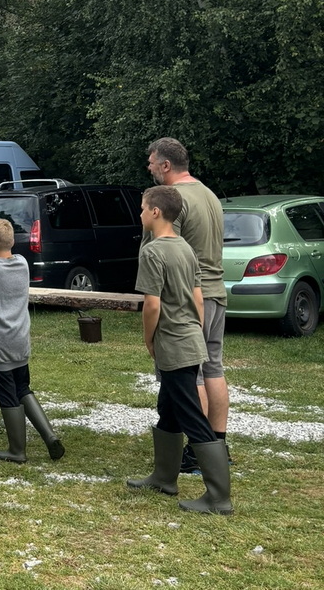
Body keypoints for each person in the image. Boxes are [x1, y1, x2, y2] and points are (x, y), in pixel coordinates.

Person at [127, 185, 232, 515]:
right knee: (168, 408)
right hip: (190, 338)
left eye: (143, 208)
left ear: (155, 212)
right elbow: (199, 298)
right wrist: (195, 331)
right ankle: (164, 478)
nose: (140, 213)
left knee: (190, 414)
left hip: (173, 343)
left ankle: (218, 497)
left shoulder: (152, 252)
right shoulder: (186, 247)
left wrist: (148, 339)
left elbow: (152, 305)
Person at [146, 137, 229, 472]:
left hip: (187, 299)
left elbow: (165, 251)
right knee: (213, 369)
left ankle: (198, 451)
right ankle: (218, 444)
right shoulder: (209, 194)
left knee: (189, 374)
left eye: (152, 162)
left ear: (166, 165)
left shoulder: (171, 200)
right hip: (216, 293)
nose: (149, 167)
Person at [0, 218, 64, 464]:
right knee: (22, 388)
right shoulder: (22, 264)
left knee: (7, 395)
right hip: (19, 342)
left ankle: (17, 450)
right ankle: (50, 436)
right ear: (11, 241)